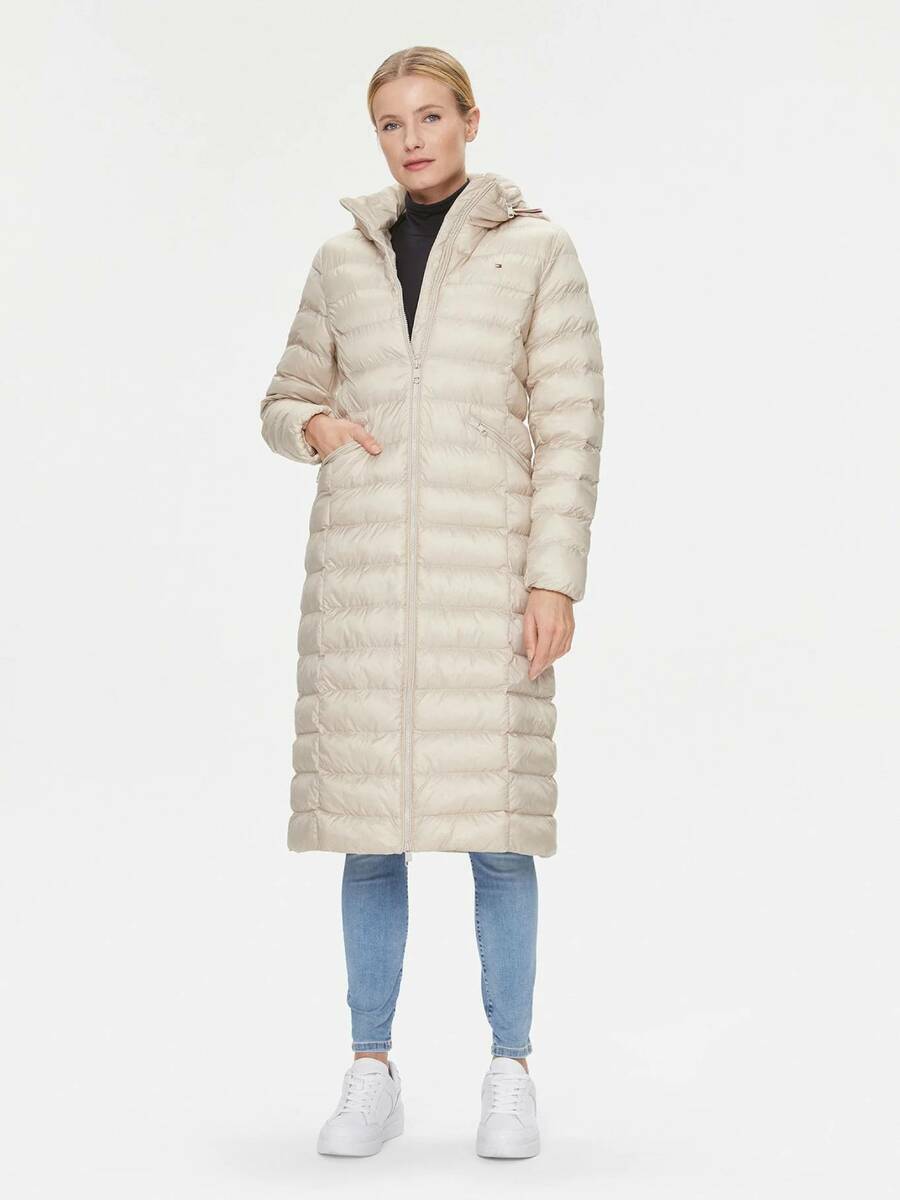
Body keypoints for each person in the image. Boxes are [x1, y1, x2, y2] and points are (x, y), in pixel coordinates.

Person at [259, 45, 605, 1160]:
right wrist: (313, 426)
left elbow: (571, 424)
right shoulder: (340, 260)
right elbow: (283, 397)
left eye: (429, 117)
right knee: (370, 838)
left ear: (469, 120)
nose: (411, 140)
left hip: (486, 575)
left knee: (498, 836)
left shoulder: (537, 251)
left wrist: (553, 576)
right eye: (390, 124)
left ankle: (511, 1070)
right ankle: (371, 1069)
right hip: (364, 583)